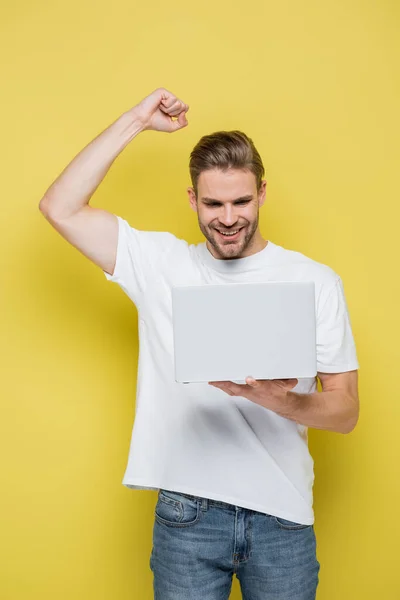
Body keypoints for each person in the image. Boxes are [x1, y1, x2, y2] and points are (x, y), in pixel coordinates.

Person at [39, 88, 360, 600]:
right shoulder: (161, 264)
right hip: (187, 516)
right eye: (212, 203)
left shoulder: (315, 280)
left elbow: (345, 413)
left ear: (262, 194)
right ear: (192, 199)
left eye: (241, 201)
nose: (227, 218)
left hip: (284, 518)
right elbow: (59, 206)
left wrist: (279, 399)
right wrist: (136, 121)